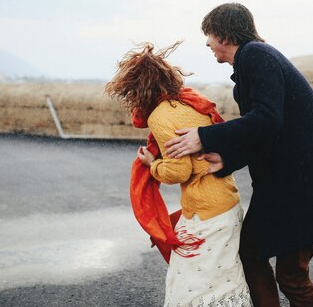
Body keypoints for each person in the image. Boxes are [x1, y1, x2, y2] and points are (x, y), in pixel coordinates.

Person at [165, 3, 313, 307]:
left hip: (300, 187)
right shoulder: (253, 60)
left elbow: (266, 119)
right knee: (254, 253)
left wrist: (204, 136)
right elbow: (266, 131)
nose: (207, 43)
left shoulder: (255, 55)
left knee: (290, 274)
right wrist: (229, 159)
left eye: (208, 35)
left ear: (223, 34)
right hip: (290, 186)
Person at [105, 41, 252, 307]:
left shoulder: (160, 118)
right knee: (224, 279)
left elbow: (179, 170)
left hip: (205, 212)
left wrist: (152, 164)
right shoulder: (189, 102)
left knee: (190, 287)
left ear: (137, 90)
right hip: (227, 202)